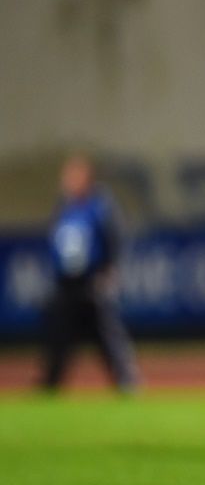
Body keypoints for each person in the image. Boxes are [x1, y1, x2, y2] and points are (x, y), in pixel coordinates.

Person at [38, 151, 139, 393]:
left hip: (93, 281)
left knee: (107, 335)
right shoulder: (64, 206)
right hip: (67, 283)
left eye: (73, 175)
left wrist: (108, 272)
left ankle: (126, 382)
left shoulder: (100, 206)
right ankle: (51, 385)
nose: (68, 180)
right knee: (59, 337)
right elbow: (56, 242)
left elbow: (115, 239)